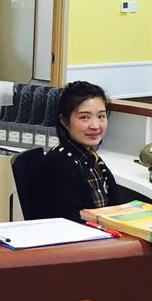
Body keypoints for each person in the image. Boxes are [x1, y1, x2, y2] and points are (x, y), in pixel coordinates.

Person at [38, 81, 121, 221]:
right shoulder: (60, 164)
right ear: (64, 121)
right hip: (79, 233)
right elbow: (70, 221)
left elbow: (117, 209)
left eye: (101, 116)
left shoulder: (91, 158)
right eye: (84, 117)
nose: (95, 126)